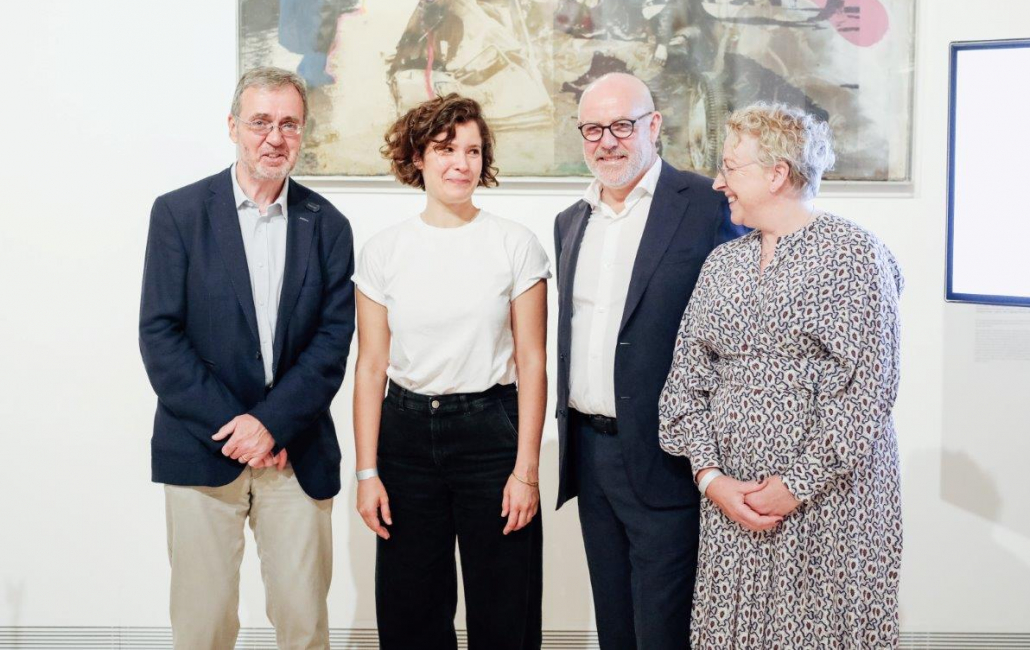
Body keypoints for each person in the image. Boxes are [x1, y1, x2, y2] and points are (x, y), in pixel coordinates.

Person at [659, 102, 903, 648]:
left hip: (830, 508)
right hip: (732, 509)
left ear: (776, 174)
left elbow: (869, 391)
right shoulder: (723, 263)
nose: (718, 182)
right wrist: (711, 479)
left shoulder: (854, 255)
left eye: (730, 167)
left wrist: (795, 486)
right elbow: (685, 383)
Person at [139, 66, 355, 649]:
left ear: (303, 132)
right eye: (261, 122)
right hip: (201, 446)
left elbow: (332, 343)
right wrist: (241, 430)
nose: (275, 138)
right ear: (232, 126)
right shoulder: (178, 214)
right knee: (203, 627)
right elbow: (160, 335)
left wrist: (272, 424)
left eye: (289, 124)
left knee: (304, 624)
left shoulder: (329, 226)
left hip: (295, 451)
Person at [553, 72, 742, 650]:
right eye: (592, 129)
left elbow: (739, 329)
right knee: (614, 625)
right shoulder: (571, 221)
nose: (606, 141)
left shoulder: (706, 205)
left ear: (654, 125)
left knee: (663, 631)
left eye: (621, 125)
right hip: (590, 453)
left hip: (668, 457)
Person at [352, 94, 548, 650]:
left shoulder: (515, 244)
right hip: (405, 437)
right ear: (417, 157)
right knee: (410, 611)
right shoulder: (384, 251)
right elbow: (371, 367)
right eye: (445, 149)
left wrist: (526, 471)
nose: (462, 163)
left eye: (473, 151)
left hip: (491, 433)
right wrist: (367, 473)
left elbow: (533, 362)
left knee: (504, 607)